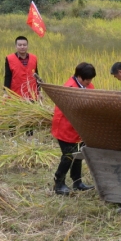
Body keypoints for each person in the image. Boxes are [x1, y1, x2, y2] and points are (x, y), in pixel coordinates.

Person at [51, 63, 97, 195]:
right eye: (87, 79)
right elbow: (72, 111)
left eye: (91, 79)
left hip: (79, 128)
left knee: (79, 155)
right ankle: (58, 183)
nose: (89, 82)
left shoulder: (88, 86)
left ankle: (77, 182)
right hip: (66, 127)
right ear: (79, 76)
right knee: (68, 156)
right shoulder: (69, 89)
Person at [4, 36, 39, 100]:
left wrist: (39, 92)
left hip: (32, 95)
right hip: (16, 95)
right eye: (20, 45)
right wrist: (6, 92)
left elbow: (37, 76)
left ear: (27, 46)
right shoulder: (9, 59)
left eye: (24, 45)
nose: (22, 47)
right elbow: (8, 76)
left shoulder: (34, 58)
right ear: (16, 46)